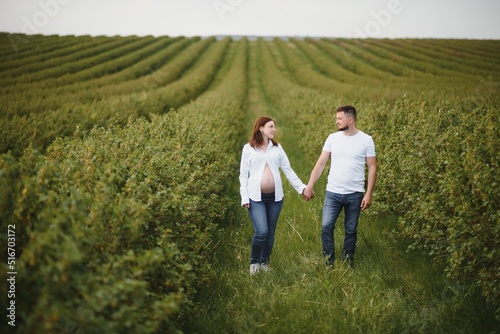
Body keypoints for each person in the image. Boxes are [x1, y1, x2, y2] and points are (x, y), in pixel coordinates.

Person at [303, 105, 376, 268]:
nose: (336, 122)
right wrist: (310, 185)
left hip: (355, 193)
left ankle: (347, 261)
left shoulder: (366, 140)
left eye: (339, 119)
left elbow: (372, 167)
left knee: (351, 229)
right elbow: (321, 163)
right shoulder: (332, 138)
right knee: (326, 226)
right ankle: (329, 262)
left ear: (350, 120)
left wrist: (368, 193)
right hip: (333, 192)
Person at [239, 116, 310, 275]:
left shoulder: (277, 148)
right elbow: (243, 175)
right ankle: (254, 263)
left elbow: (288, 170)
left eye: (274, 127)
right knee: (261, 231)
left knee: (270, 232)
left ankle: (264, 263)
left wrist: (302, 188)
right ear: (261, 128)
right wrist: (244, 196)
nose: (274, 130)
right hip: (255, 197)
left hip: (275, 198)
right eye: (271, 126)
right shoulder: (248, 149)